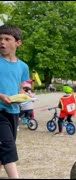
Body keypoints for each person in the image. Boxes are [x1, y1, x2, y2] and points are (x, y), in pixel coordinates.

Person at [0, 24, 29, 178]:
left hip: (14, 112)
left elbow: (21, 89)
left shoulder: (23, 67)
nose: (2, 42)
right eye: (0, 39)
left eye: (7, 39)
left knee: (3, 149)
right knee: (7, 146)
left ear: (18, 43)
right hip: (0, 111)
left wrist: (24, 95)